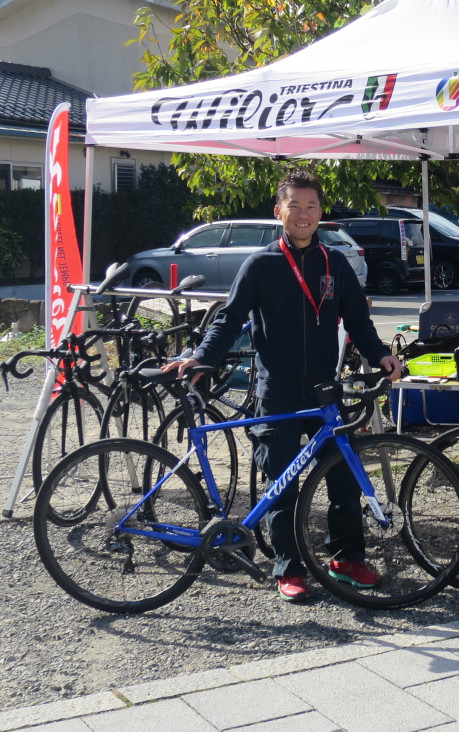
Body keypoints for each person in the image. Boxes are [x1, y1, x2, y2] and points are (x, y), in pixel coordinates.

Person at [166, 170, 401, 602]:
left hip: (324, 390)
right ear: (280, 212)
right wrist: (202, 357)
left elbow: (359, 323)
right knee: (282, 484)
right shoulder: (261, 265)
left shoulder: (336, 264)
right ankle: (288, 568)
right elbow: (229, 319)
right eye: (295, 206)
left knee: (345, 477)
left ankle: (347, 560)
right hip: (276, 390)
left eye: (312, 206)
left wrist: (380, 354)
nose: (304, 214)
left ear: (321, 212)